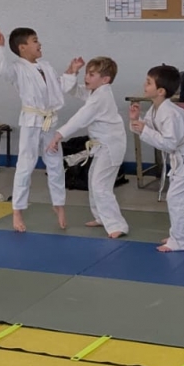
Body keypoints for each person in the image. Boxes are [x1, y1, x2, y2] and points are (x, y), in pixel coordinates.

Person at [0, 26, 72, 233]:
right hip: (30, 121)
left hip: (49, 121)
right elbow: (1, 71)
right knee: (25, 165)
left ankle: (59, 204)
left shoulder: (46, 66)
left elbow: (59, 87)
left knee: (55, 163)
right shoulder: (17, 69)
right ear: (22, 47)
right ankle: (17, 210)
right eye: (35, 40)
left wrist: (72, 71)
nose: (39, 44)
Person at [48, 56, 128, 238]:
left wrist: (59, 135)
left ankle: (117, 225)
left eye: (91, 75)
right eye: (86, 74)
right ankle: (101, 217)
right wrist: (72, 72)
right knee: (94, 180)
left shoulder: (101, 97)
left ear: (105, 79)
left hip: (110, 146)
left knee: (101, 186)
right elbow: (74, 90)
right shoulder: (96, 92)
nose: (86, 78)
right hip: (101, 146)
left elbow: (80, 118)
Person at [130, 64, 184, 252]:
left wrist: (144, 130)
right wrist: (135, 120)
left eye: (148, 83)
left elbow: (169, 143)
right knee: (180, 199)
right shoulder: (156, 109)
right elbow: (149, 129)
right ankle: (181, 235)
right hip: (182, 159)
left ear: (160, 91)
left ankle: (180, 240)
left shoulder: (171, 113)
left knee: (178, 199)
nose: (144, 85)